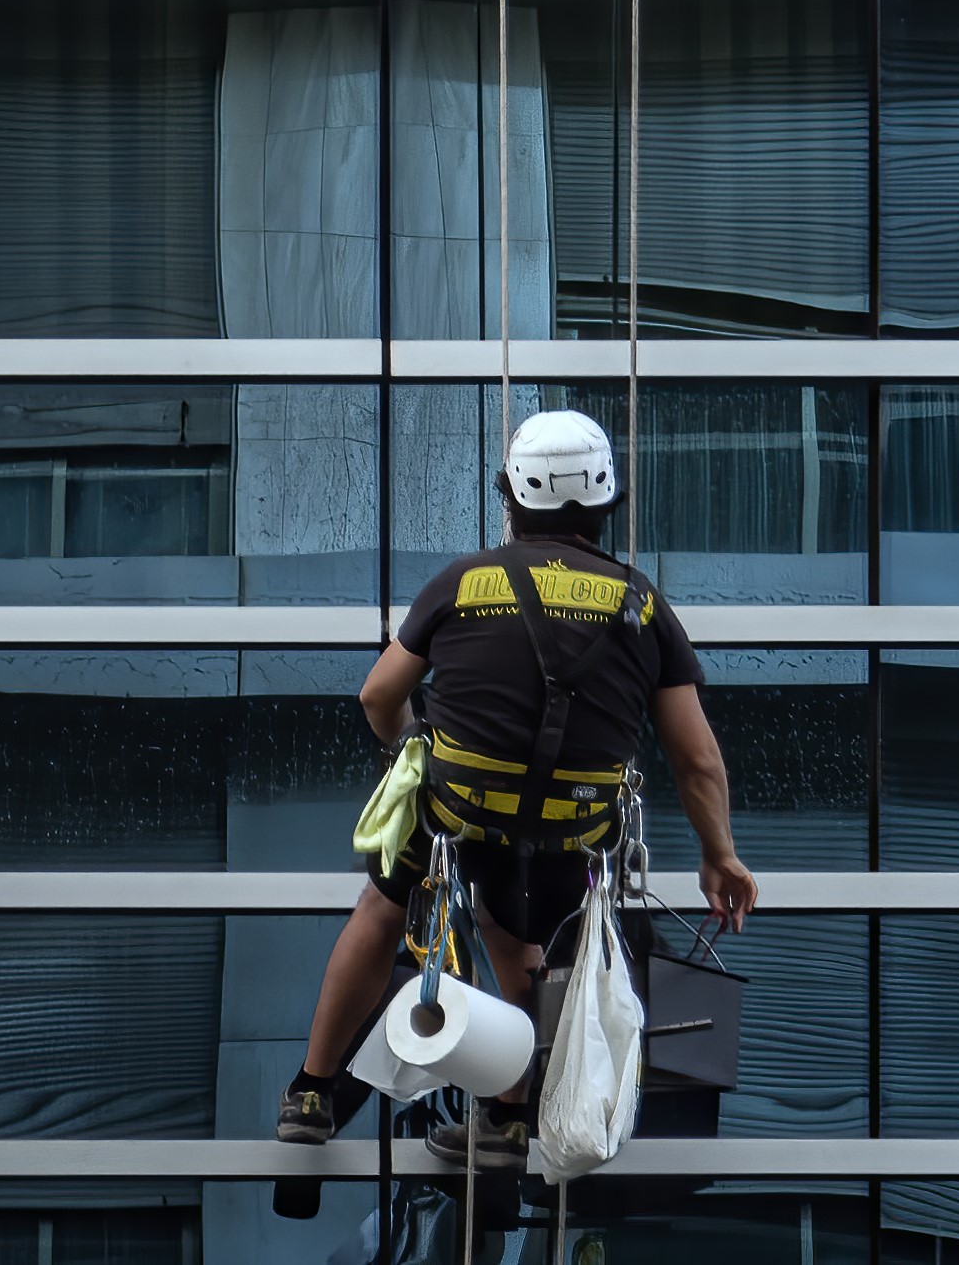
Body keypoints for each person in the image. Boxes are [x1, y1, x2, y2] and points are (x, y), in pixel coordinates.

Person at [277, 408, 758, 1165]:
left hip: (458, 812)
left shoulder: (465, 581)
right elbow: (696, 759)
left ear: (512, 498)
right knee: (525, 941)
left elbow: (377, 695)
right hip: (570, 831)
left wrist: (409, 743)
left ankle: (309, 1091)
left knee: (379, 908)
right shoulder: (640, 605)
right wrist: (718, 855)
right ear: (603, 505)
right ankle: (505, 1120)